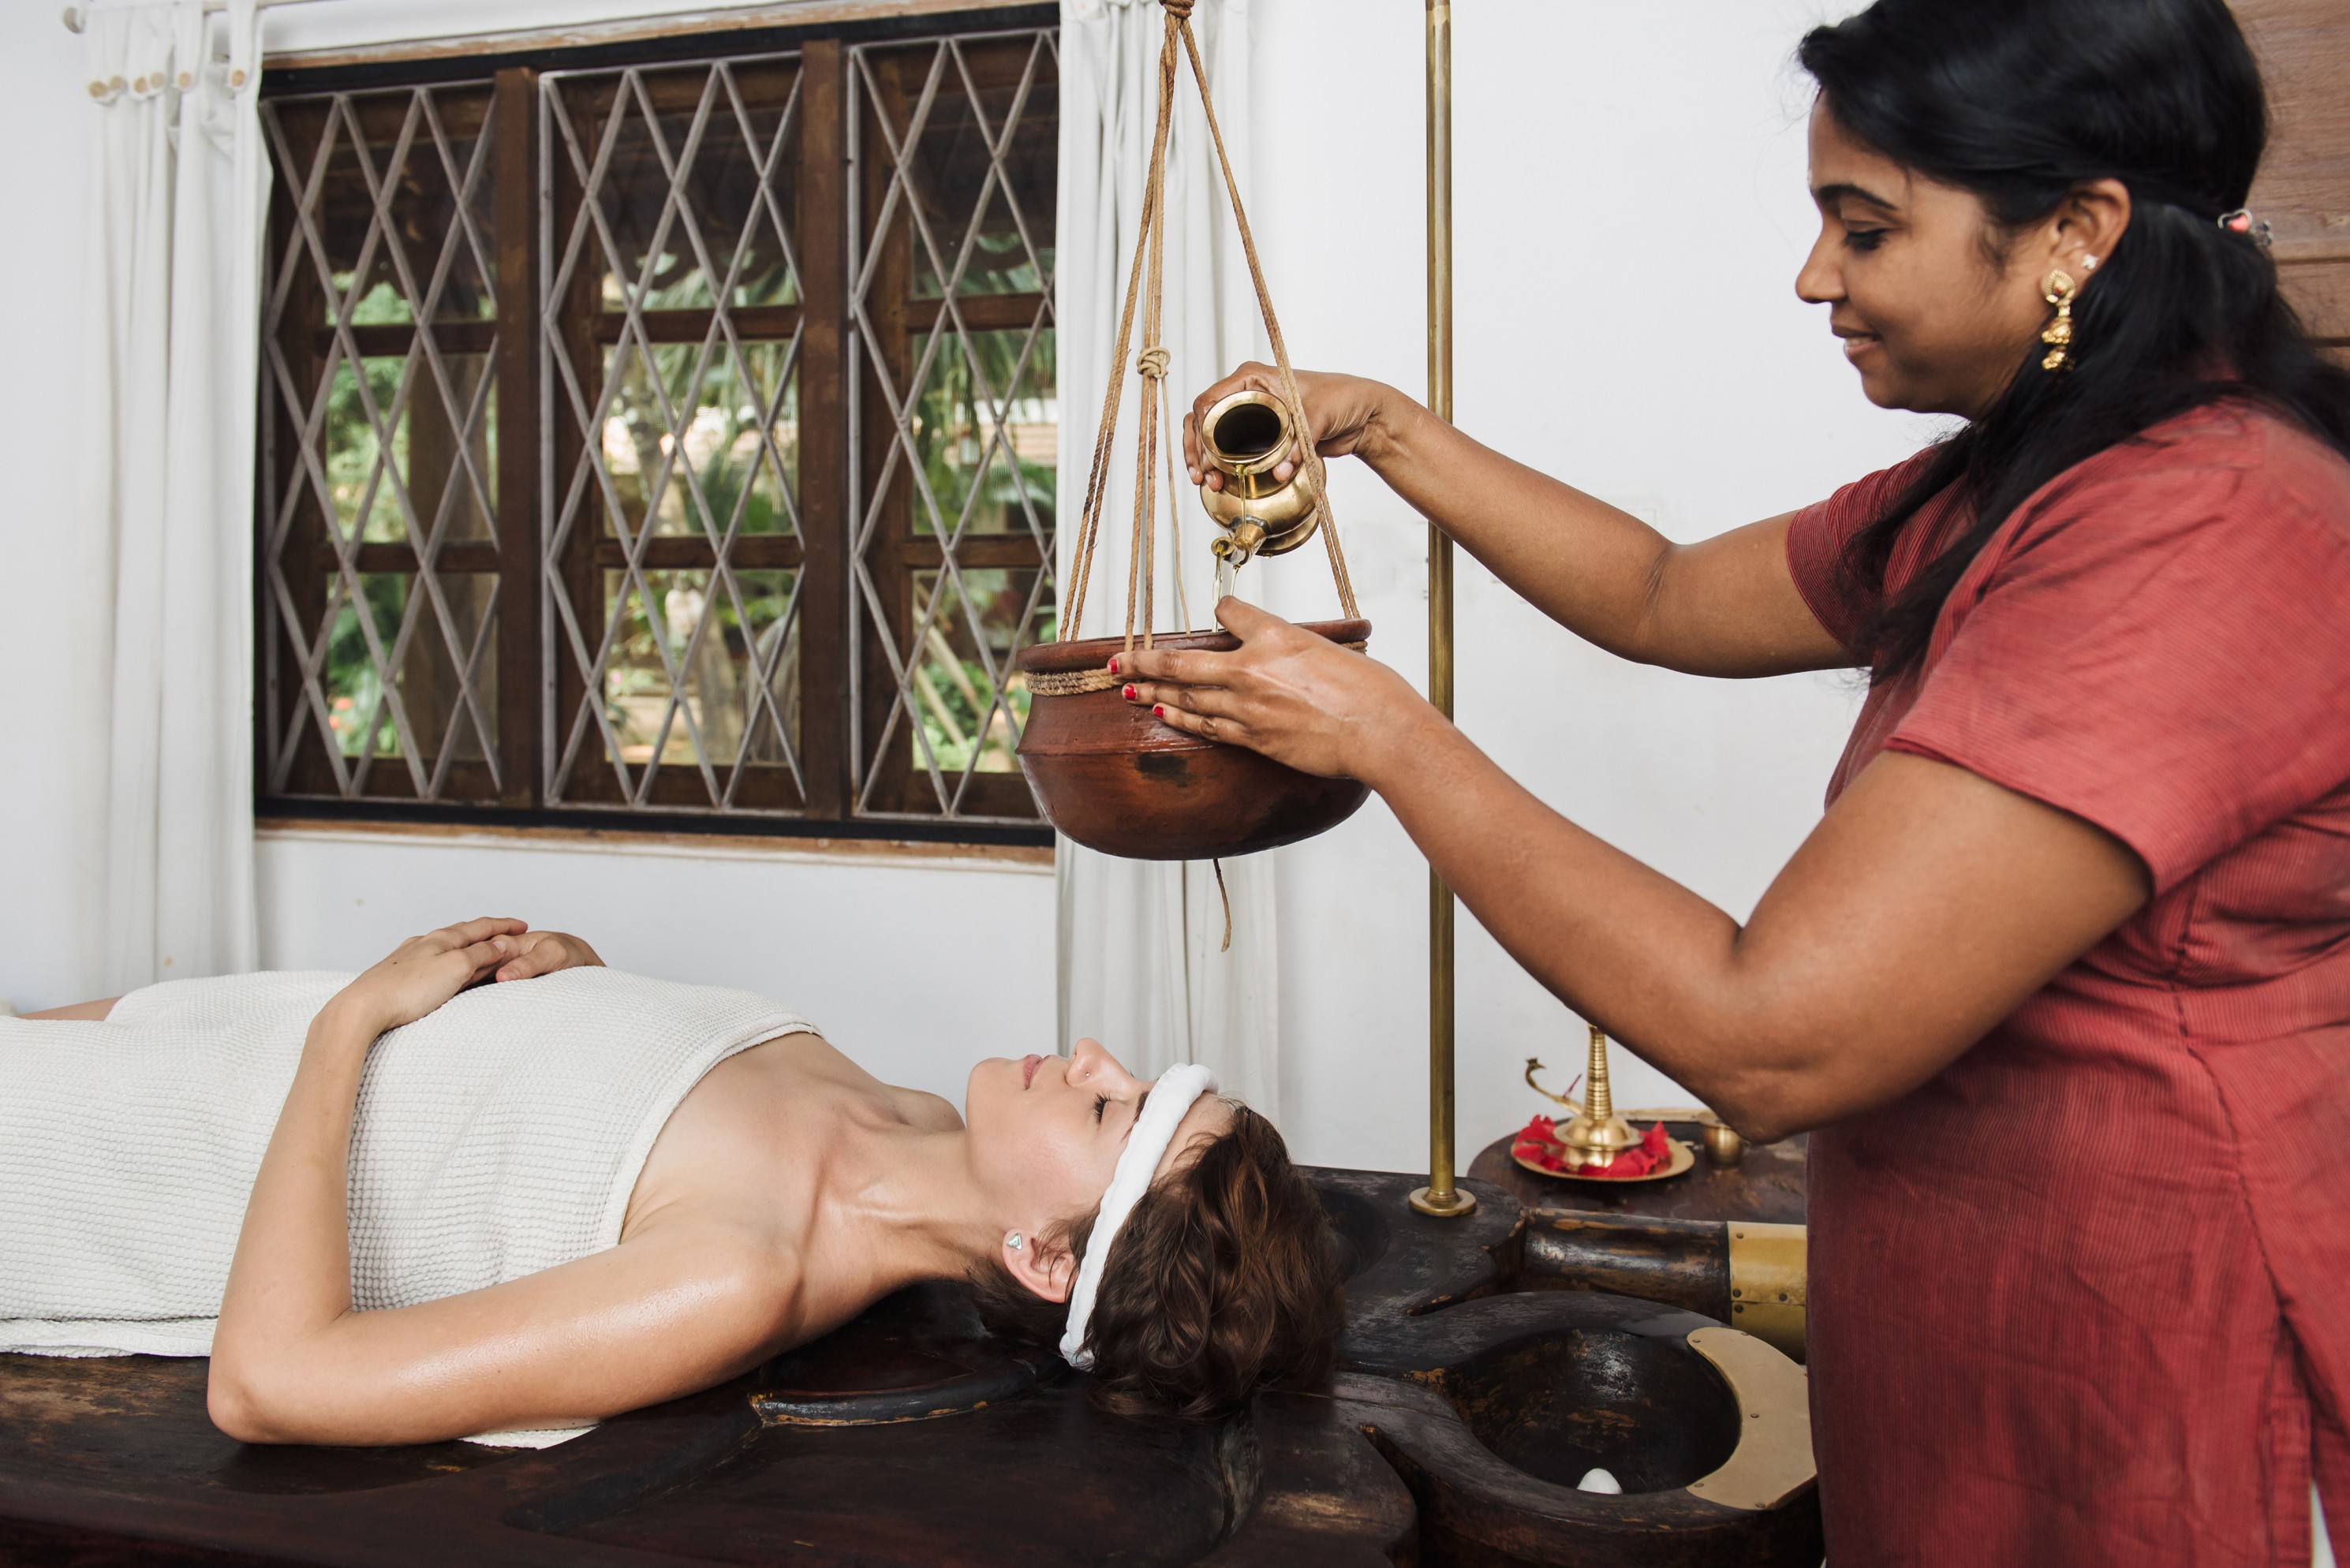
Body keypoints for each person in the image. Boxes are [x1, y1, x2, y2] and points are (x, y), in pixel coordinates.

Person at [1119, 0, 2350, 1559]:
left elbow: (1770, 1034)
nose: (1815, 276)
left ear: (2075, 232)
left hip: (2170, 1371)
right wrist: (1384, 427)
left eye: (1865, 227)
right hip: (1981, 1347)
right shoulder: (2025, 481)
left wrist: (1388, 736)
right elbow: (1660, 593)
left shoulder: (2199, 527)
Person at [0, 919, 1342, 1445]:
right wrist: (581, 990)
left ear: (1045, 1259)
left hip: (124, 1160)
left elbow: (273, 1384)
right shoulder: (912, 1113)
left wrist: (352, 1025)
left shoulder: (739, 1275)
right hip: (202, 1040)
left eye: (1111, 1109)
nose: (1093, 1058)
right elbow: (602, 1126)